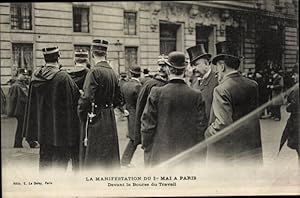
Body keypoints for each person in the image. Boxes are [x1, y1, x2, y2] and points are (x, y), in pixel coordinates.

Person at [141, 51, 207, 167]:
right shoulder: (196, 95)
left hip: (161, 154)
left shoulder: (157, 92)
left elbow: (147, 126)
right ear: (185, 70)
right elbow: (201, 128)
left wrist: (148, 147)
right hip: (188, 155)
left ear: (168, 69)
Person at [205, 41, 263, 165]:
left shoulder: (221, 89)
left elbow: (223, 124)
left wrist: (208, 132)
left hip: (231, 152)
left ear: (222, 66)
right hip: (251, 147)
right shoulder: (253, 85)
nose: (217, 73)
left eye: (217, 68)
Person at [23, 46, 80, 171]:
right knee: (60, 164)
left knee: (45, 162)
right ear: (57, 58)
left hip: (43, 130)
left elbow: (31, 106)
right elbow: (75, 100)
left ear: (45, 59)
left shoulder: (35, 77)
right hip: (61, 132)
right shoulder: (63, 77)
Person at [77, 39, 124, 170]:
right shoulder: (113, 73)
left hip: (95, 117)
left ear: (92, 54)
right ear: (105, 54)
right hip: (109, 117)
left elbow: (86, 98)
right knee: (108, 155)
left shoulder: (94, 72)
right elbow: (119, 99)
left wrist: (81, 113)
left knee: (95, 156)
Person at [133, 55, 169, 152]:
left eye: (165, 65)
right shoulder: (150, 84)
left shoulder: (171, 84)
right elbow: (141, 108)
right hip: (153, 132)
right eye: (160, 65)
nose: (161, 68)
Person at [7, 69, 38, 148]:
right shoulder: (16, 86)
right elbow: (12, 99)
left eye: (26, 75)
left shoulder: (22, 84)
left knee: (22, 127)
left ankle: (19, 143)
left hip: (24, 110)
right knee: (23, 126)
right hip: (20, 110)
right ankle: (29, 142)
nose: (26, 77)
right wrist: (11, 112)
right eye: (23, 75)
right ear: (18, 75)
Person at [187, 44, 218, 121]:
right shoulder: (194, 81)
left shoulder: (217, 80)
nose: (193, 68)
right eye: (192, 65)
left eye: (196, 65)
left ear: (206, 64)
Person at [120, 66, 142, 167]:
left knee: (134, 137)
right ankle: (125, 160)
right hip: (136, 114)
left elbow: (121, 100)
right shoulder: (138, 86)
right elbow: (140, 102)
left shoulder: (125, 85)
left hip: (129, 112)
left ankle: (125, 160)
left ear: (131, 73)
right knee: (135, 138)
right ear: (140, 74)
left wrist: (124, 109)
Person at [279, 64, 299, 164]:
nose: (293, 76)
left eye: (295, 74)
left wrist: (288, 106)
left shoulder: (297, 89)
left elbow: (292, 107)